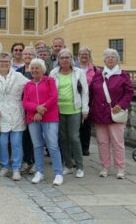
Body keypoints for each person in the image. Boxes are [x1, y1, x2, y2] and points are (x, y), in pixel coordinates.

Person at [89, 49, 133, 179]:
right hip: (99, 114)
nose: (110, 58)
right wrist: (89, 108)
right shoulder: (98, 75)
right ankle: (105, 167)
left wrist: (121, 105)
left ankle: (120, 168)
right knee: (102, 142)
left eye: (113, 56)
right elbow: (91, 93)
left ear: (117, 59)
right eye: (107, 57)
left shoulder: (123, 75)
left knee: (117, 143)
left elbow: (129, 92)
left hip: (115, 114)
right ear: (103, 60)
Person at [0, 53, 29, 180]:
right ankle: (4, 166)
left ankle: (16, 169)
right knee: (2, 143)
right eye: (1, 61)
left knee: (16, 143)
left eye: (6, 61)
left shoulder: (18, 76)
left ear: (11, 62)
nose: (4, 63)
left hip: (16, 113)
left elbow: (32, 86)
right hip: (0, 114)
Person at [23, 58, 64, 186]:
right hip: (33, 118)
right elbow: (25, 102)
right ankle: (39, 172)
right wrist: (36, 109)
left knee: (52, 145)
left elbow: (54, 97)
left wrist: (41, 110)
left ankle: (58, 173)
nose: (34, 70)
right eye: (32, 68)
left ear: (43, 69)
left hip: (49, 117)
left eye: (37, 68)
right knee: (37, 146)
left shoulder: (49, 81)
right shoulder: (28, 85)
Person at [49, 48, 88, 178]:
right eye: (62, 57)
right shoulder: (54, 73)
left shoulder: (78, 72)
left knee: (74, 137)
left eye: (67, 57)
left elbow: (85, 92)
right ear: (58, 60)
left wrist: (85, 110)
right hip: (58, 110)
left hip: (74, 110)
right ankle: (68, 165)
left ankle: (79, 166)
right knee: (63, 139)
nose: (65, 60)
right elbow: (50, 91)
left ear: (71, 59)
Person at [17, 46, 36, 174]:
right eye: (26, 54)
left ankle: (36, 162)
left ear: (34, 56)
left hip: (35, 107)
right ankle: (27, 160)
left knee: (36, 136)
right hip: (22, 107)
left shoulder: (39, 69)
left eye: (30, 54)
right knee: (25, 135)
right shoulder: (19, 71)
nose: (28, 56)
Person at [77, 47, 97, 156]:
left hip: (89, 100)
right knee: (77, 125)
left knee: (87, 125)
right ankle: (77, 147)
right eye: (82, 54)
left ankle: (85, 147)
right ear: (78, 56)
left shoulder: (95, 69)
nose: (84, 56)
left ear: (89, 56)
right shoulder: (74, 68)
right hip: (76, 99)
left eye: (86, 54)